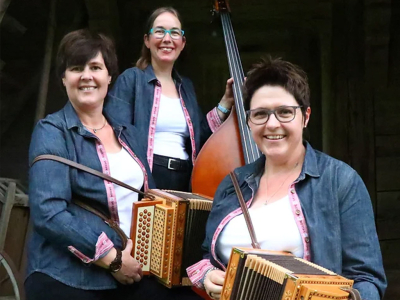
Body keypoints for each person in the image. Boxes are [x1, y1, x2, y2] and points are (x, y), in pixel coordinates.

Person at [187, 57, 387, 300]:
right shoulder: (233, 184)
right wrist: (208, 275)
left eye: (284, 112)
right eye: (260, 114)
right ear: (249, 121)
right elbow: (207, 255)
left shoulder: (340, 181)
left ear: (306, 116)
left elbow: (367, 279)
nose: (272, 124)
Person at [25, 29, 179, 300]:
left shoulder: (127, 134)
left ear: (109, 77)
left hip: (132, 272)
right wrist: (113, 259)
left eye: (95, 67)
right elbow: (49, 213)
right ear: (64, 78)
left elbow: (147, 199)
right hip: (68, 275)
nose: (86, 76)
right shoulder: (52, 131)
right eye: (76, 68)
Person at [105, 7, 234, 192]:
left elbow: (200, 139)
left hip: (185, 178)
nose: (167, 39)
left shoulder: (186, 87)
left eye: (174, 33)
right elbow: (117, 135)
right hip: (146, 177)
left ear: (182, 43)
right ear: (147, 41)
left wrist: (225, 102)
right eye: (159, 31)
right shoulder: (131, 79)